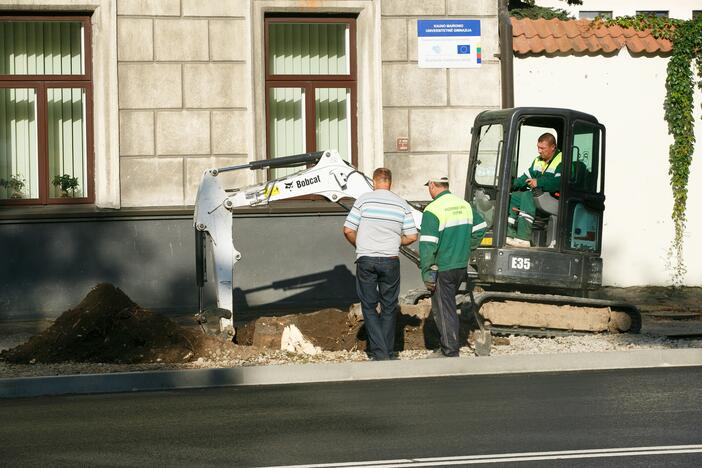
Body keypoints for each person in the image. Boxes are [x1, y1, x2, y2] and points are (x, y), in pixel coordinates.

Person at [343, 168, 418, 361]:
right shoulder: (401, 204)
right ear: (390, 183)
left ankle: (380, 352)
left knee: (368, 307)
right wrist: (394, 241)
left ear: (374, 182)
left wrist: (360, 244)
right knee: (389, 306)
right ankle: (386, 351)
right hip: (390, 260)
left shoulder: (363, 200)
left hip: (366, 259)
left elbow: (347, 230)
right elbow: (412, 236)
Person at [419, 177, 486, 358]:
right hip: (460, 266)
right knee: (449, 305)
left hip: (443, 267)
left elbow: (427, 244)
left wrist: (426, 272)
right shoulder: (463, 205)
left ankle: (449, 350)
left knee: (443, 308)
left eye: (428, 187)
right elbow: (481, 227)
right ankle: (451, 344)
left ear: (432, 185)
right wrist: (467, 247)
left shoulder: (432, 210)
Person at [507, 132, 562, 248]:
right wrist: (508, 185)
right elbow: (525, 177)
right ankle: (509, 234)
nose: (539, 151)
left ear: (553, 147)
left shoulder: (562, 160)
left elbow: (559, 183)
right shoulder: (538, 160)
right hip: (539, 197)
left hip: (555, 198)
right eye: (538, 147)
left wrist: (538, 182)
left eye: (542, 148)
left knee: (527, 195)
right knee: (514, 196)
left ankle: (523, 239)